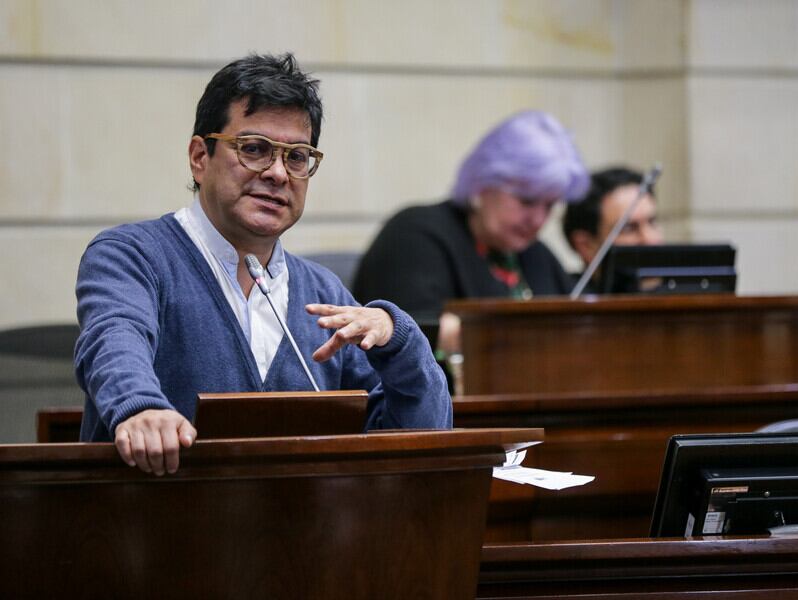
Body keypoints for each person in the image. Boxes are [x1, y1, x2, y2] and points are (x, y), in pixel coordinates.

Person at [75, 53, 452, 476]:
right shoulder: (131, 255)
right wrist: (140, 407)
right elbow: (114, 340)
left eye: (297, 157)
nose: (278, 173)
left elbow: (420, 440)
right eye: (254, 149)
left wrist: (400, 341)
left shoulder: (323, 293)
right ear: (200, 157)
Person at [352, 110, 589, 355]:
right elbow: (409, 333)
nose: (538, 219)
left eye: (549, 205)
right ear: (482, 184)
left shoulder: (535, 253)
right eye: (526, 200)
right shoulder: (413, 235)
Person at [562, 166, 663, 291]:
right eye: (628, 229)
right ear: (586, 246)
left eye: (652, 222)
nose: (650, 240)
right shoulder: (565, 299)